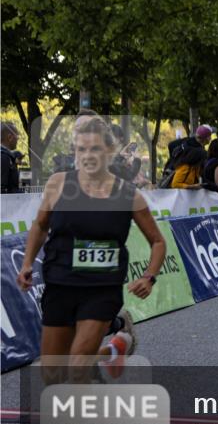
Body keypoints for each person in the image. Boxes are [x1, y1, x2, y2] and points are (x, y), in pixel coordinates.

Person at [16, 116, 165, 381]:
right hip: (60, 284)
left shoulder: (128, 195)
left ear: (109, 151)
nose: (87, 155)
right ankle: (112, 350)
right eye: (81, 149)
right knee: (51, 372)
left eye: (95, 149)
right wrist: (27, 263)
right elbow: (40, 226)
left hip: (101, 289)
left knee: (77, 366)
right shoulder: (58, 184)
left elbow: (157, 241)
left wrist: (149, 276)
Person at [1, 122, 21, 194]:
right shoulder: (3, 157)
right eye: (17, 137)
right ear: (9, 137)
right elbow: (2, 189)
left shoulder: (7, 157)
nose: (18, 140)